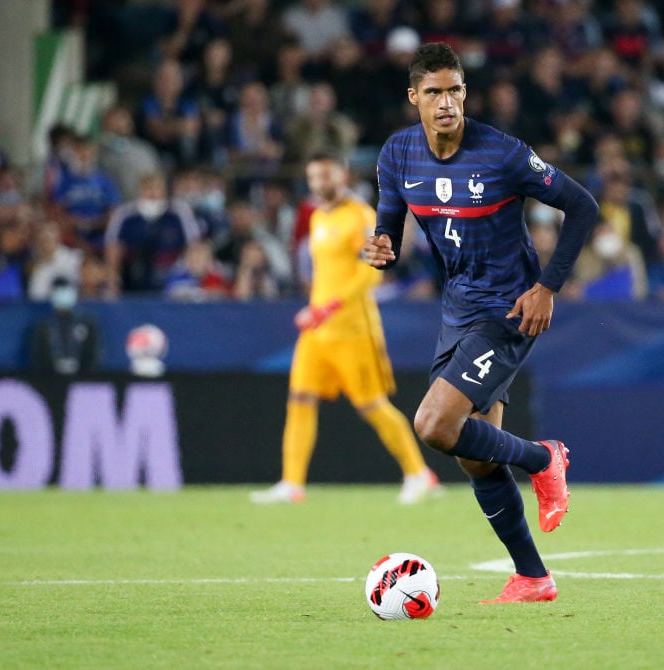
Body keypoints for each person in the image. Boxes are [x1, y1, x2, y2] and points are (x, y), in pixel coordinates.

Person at [364, 43, 599, 604]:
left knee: (433, 424)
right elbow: (389, 231)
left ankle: (546, 458)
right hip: (458, 309)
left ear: (465, 93)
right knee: (474, 452)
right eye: (434, 92)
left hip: (510, 310)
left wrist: (547, 287)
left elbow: (583, 205)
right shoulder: (397, 155)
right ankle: (533, 577)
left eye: (455, 91)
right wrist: (380, 248)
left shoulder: (503, 154)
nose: (446, 103)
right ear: (414, 97)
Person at [251, 153, 442, 506]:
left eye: (325, 176)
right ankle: (292, 483)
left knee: (372, 405)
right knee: (300, 400)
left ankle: (419, 473)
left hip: (352, 327)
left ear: (343, 176)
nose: (318, 184)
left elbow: (373, 269)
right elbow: (327, 273)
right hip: (317, 328)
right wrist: (315, 307)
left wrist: (329, 307)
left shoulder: (361, 217)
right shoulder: (318, 217)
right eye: (313, 178)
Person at [28, 276, 101, 376]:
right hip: (50, 380)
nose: (64, 295)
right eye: (59, 291)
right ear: (52, 294)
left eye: (67, 290)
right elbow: (38, 355)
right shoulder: (44, 325)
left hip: (81, 379)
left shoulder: (87, 322)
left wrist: (83, 375)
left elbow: (93, 353)